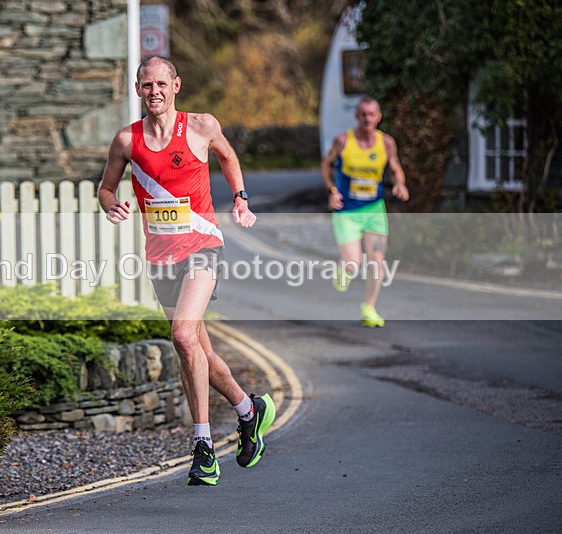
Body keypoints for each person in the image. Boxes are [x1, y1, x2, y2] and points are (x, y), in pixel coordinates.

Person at [98, 56, 276, 487]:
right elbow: (105, 188)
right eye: (146, 85)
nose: (154, 91)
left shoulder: (200, 126)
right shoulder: (126, 140)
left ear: (176, 85)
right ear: (138, 89)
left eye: (161, 83)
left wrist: (241, 198)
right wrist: (112, 205)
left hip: (202, 247)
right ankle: (250, 411)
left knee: (181, 334)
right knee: (196, 351)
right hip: (160, 257)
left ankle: (203, 445)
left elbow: (229, 157)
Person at [320, 96, 409, 327]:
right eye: (363, 114)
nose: (368, 118)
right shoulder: (343, 140)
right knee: (353, 263)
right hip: (346, 211)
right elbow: (326, 164)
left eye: (372, 114)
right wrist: (332, 190)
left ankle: (369, 308)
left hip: (374, 210)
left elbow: (395, 167)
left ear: (378, 117)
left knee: (377, 260)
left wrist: (400, 184)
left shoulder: (386, 143)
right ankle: (344, 269)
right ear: (357, 116)